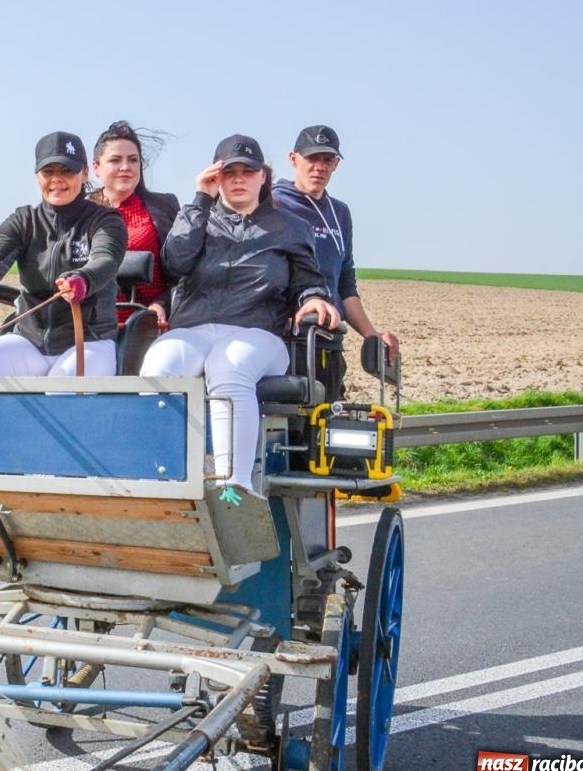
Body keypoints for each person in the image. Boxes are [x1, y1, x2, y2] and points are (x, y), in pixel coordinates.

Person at [140, 134, 340, 494]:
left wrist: (313, 298)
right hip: (194, 328)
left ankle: (234, 488)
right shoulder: (197, 218)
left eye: (247, 172)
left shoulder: (290, 228)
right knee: (159, 365)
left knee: (227, 366)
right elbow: (175, 264)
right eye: (228, 172)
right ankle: (160, 480)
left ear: (263, 176)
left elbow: (308, 282)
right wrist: (200, 200)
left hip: (259, 333)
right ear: (215, 177)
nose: (238, 180)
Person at [0, 131, 127, 377]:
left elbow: (105, 260)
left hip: (91, 342)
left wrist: (83, 279)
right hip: (29, 342)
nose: (57, 179)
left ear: (85, 173)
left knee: (63, 386)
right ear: (37, 176)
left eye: (67, 170)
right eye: (48, 171)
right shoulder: (23, 221)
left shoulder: (106, 221)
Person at [272, 124, 400, 396]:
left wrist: (372, 335)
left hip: (329, 342)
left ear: (336, 164)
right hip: (284, 343)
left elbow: (345, 283)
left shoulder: (339, 213)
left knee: (330, 417)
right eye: (311, 158)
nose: (319, 167)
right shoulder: (272, 204)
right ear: (293, 159)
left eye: (327, 159)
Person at [86, 120, 181, 326]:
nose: (125, 167)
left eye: (133, 160)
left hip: (150, 324)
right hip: (92, 326)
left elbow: (184, 272)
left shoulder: (165, 207)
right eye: (115, 160)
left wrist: (162, 304)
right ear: (96, 167)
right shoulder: (81, 213)